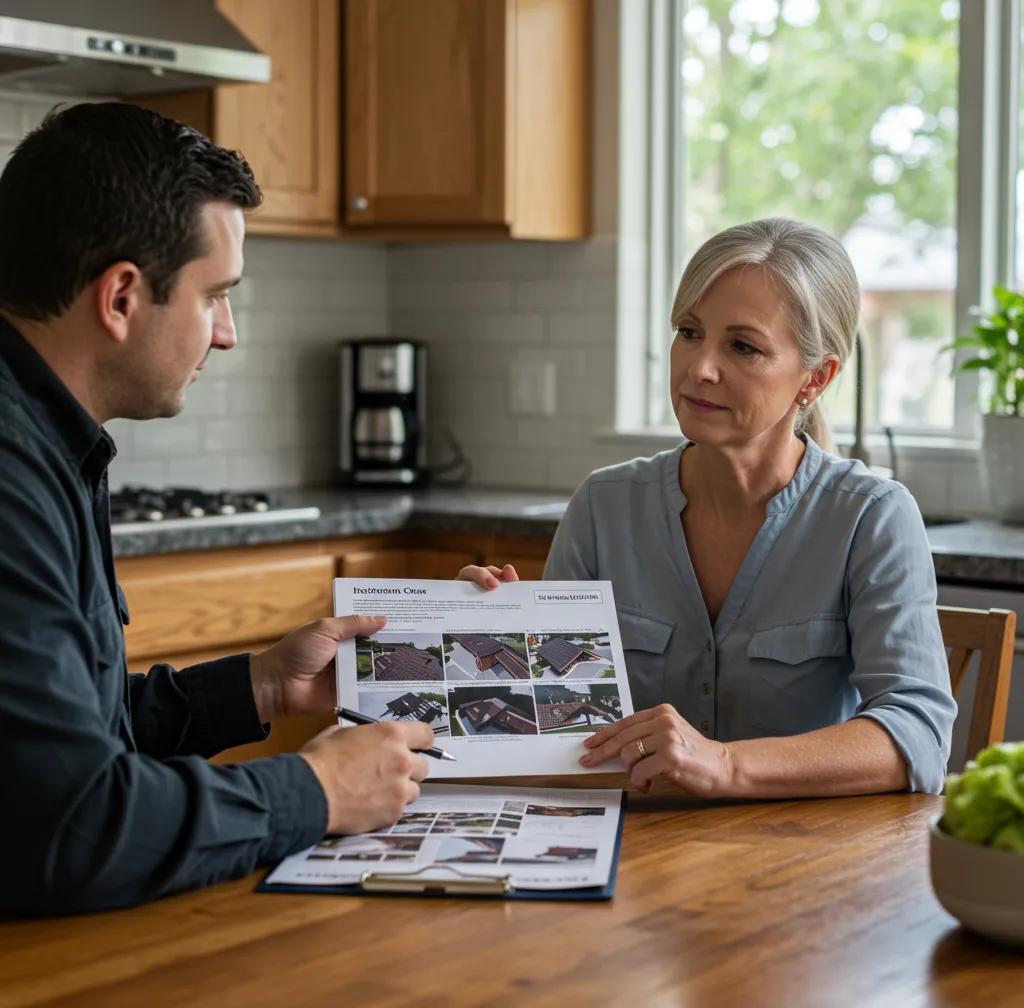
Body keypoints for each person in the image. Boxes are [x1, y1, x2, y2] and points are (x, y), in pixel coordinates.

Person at [0, 102, 432, 917]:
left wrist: (260, 686)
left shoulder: (44, 436)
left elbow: (52, 745)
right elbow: (73, 825)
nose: (227, 334)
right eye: (215, 297)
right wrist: (317, 788)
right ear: (122, 296)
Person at [461, 218, 956, 798]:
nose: (699, 367)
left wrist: (724, 764)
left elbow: (918, 736)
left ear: (815, 379)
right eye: (689, 332)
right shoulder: (603, 506)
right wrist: (485, 639)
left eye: (742, 346)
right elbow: (553, 724)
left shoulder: (871, 517)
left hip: (804, 864)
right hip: (638, 855)